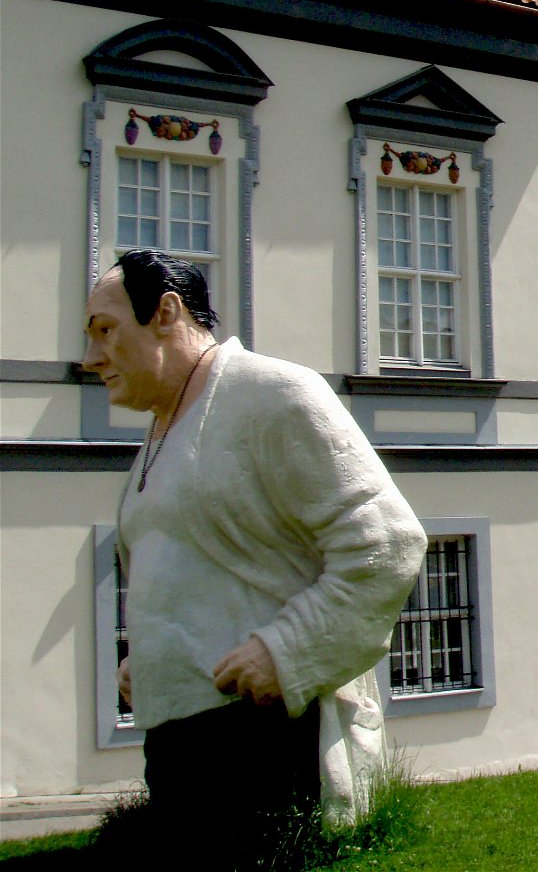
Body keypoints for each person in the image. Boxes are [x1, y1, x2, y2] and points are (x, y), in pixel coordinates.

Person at [85, 250, 425, 860]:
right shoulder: (157, 439)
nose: (91, 358)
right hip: (176, 743)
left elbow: (387, 542)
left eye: (105, 331)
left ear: (165, 313)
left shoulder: (275, 394)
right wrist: (152, 655)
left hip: (263, 739)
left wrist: (288, 651)